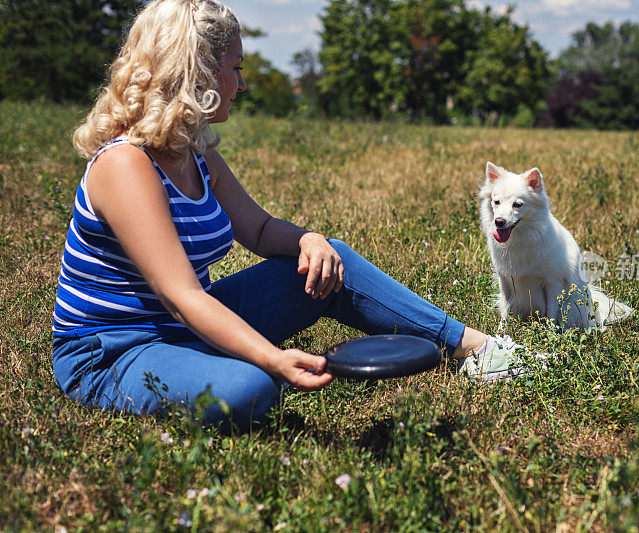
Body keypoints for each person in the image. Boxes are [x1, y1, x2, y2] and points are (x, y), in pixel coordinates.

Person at [52, 0, 529, 432]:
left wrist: (309, 240)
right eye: (235, 68)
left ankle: (477, 349)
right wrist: (272, 359)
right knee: (251, 389)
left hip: (185, 326)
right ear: (196, 71)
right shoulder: (124, 165)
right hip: (116, 349)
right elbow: (180, 297)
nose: (242, 83)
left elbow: (258, 230)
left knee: (329, 262)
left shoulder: (195, 154)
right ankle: (227, 367)